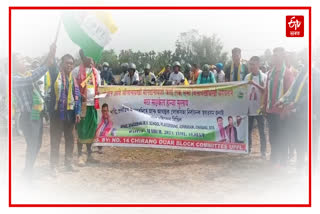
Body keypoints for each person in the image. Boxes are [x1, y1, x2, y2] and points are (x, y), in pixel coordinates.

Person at [12, 44, 56, 180]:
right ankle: (28, 174)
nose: (25, 62)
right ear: (13, 64)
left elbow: (38, 68)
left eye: (25, 60)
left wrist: (50, 54)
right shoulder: (14, 79)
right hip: (28, 117)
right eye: (21, 60)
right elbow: (31, 78)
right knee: (32, 145)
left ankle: (27, 170)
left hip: (36, 115)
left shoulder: (26, 74)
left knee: (37, 145)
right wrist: (47, 64)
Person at [48, 54, 81, 176]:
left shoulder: (73, 78)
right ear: (61, 64)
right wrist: (52, 51)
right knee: (55, 139)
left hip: (70, 113)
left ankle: (68, 163)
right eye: (67, 63)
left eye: (71, 63)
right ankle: (54, 166)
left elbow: (77, 98)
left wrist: (77, 112)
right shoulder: (55, 75)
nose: (69, 65)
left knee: (70, 139)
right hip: (57, 113)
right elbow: (51, 65)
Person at [262, 47, 295, 167]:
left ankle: (283, 161)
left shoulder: (287, 73)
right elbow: (266, 91)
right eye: (273, 55)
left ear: (282, 57)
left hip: (281, 112)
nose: (274, 57)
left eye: (276, 55)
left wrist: (285, 110)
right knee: (272, 136)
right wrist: (264, 106)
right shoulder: (270, 73)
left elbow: (290, 93)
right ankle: (274, 158)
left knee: (282, 137)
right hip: (270, 111)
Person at [72, 49, 101, 166]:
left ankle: (89, 155)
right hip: (82, 106)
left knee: (91, 129)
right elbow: (72, 87)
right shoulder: (76, 71)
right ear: (83, 57)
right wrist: (79, 95)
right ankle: (79, 156)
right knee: (81, 130)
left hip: (92, 105)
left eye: (92, 59)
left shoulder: (96, 72)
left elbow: (98, 86)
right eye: (89, 58)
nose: (91, 60)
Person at [277, 65, 308, 170]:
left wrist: (294, 104)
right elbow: (291, 91)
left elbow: (310, 95)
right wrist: (282, 101)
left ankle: (301, 166)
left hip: (307, 114)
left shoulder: (315, 74)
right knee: (290, 138)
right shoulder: (300, 74)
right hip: (295, 113)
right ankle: (288, 162)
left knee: (302, 141)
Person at [244, 56, 267, 156]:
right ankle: (248, 149)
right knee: (248, 130)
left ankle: (263, 152)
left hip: (260, 108)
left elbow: (265, 91)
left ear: (258, 65)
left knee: (262, 131)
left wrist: (255, 84)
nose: (251, 66)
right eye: (250, 64)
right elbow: (244, 92)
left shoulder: (264, 77)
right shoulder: (247, 77)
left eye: (253, 64)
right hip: (249, 108)